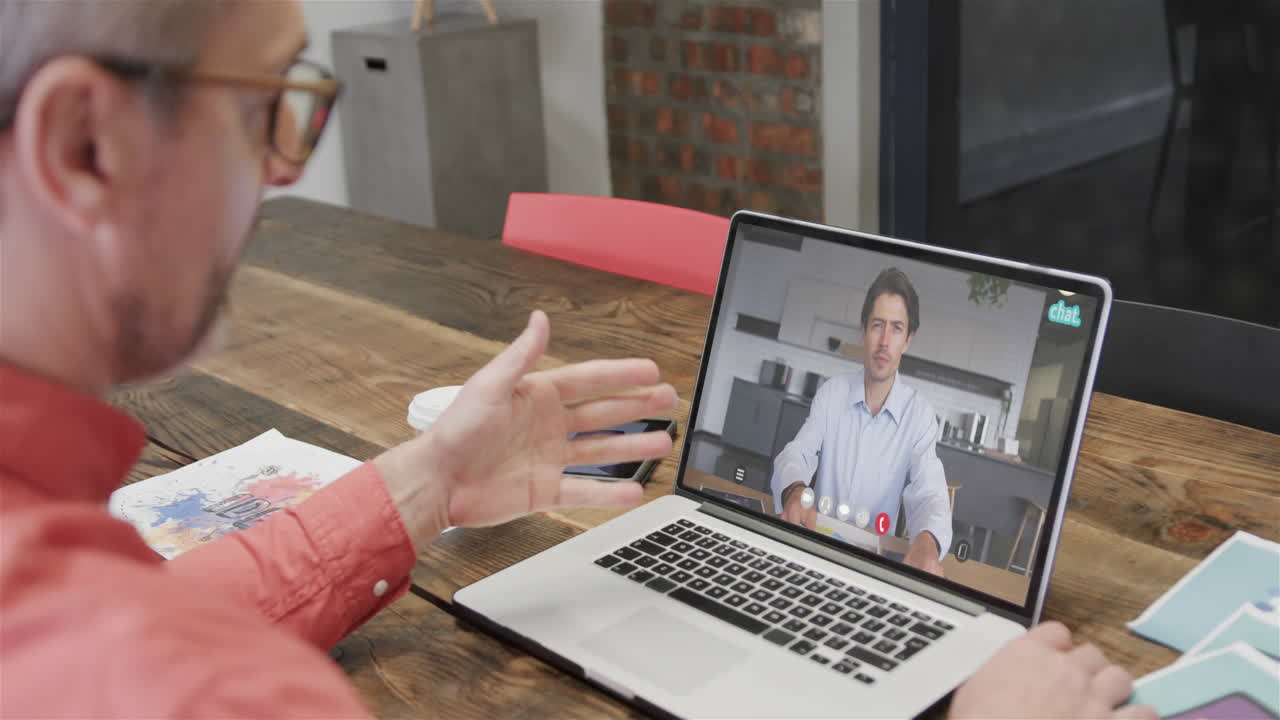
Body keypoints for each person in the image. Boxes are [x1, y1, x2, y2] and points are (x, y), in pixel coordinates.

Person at [0, 2, 1153, 718]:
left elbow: (931, 519)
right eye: (265, 107)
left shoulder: (79, 605)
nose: (286, 169)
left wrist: (429, 481)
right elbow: (793, 464)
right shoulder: (203, 689)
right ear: (82, 145)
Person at [771, 268, 952, 576]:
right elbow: (797, 453)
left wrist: (926, 542)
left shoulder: (919, 415)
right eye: (877, 325)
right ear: (863, 330)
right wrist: (795, 491)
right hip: (816, 552)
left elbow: (930, 492)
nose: (884, 341)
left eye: (896, 329)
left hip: (875, 569)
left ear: (908, 340)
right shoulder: (831, 394)